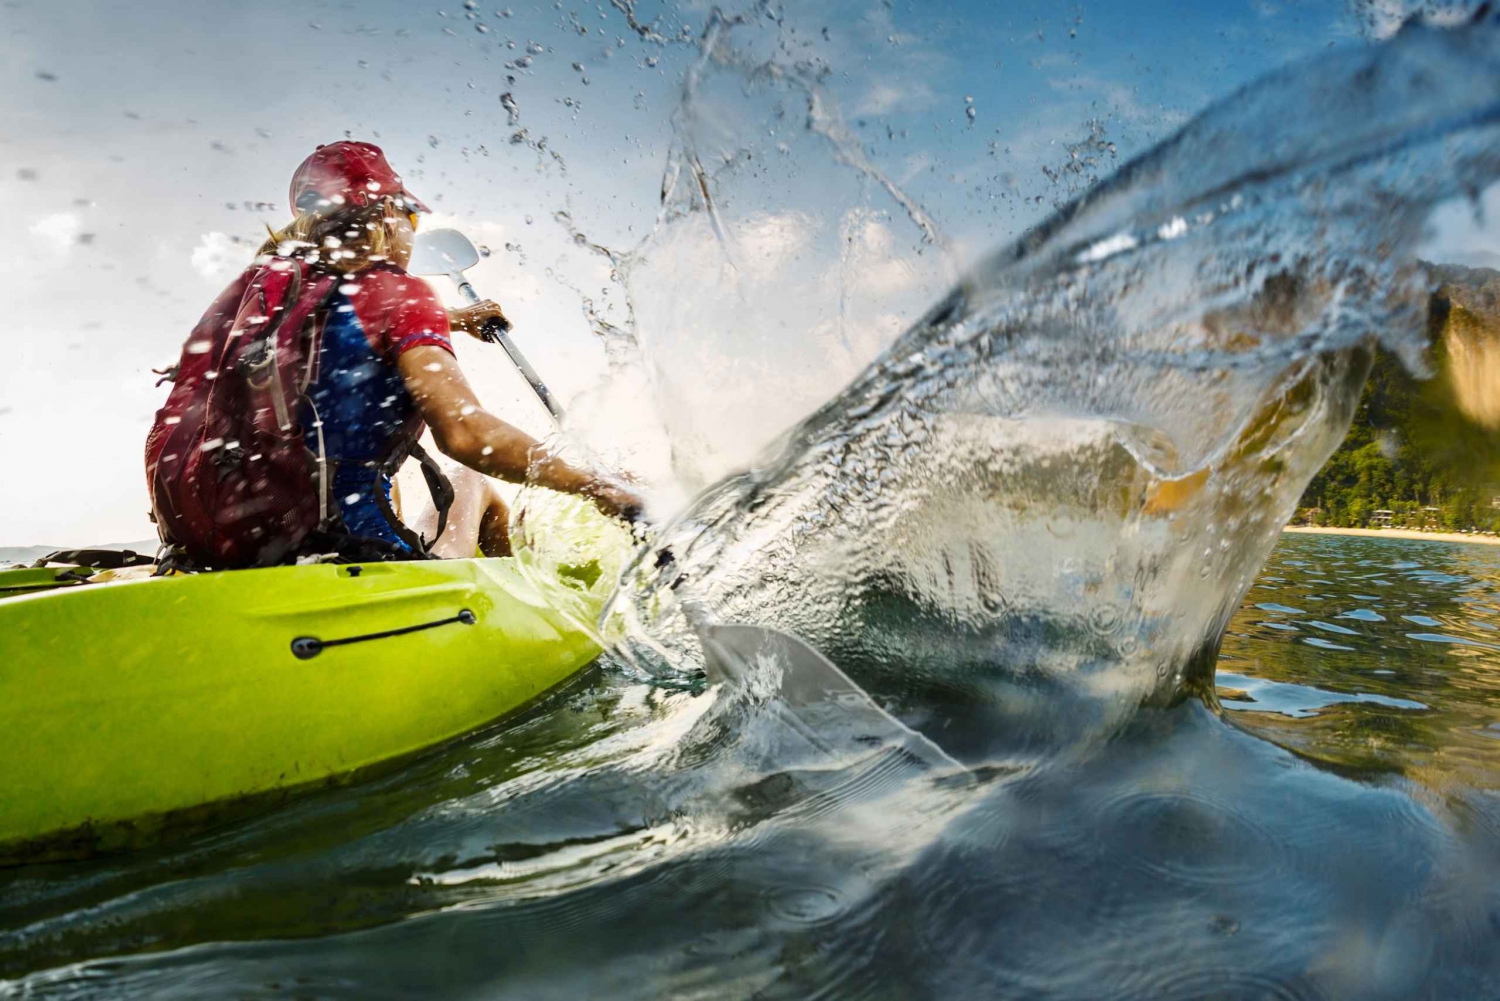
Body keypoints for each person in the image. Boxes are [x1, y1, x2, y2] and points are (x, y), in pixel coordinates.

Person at [151, 141, 640, 563]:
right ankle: (526, 614)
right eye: (412, 217)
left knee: (350, 444)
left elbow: (337, 330)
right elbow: (466, 435)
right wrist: (603, 487)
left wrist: (452, 319)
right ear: (388, 214)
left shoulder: (262, 299)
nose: (412, 232)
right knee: (471, 479)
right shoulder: (399, 293)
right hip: (343, 550)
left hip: (215, 550)